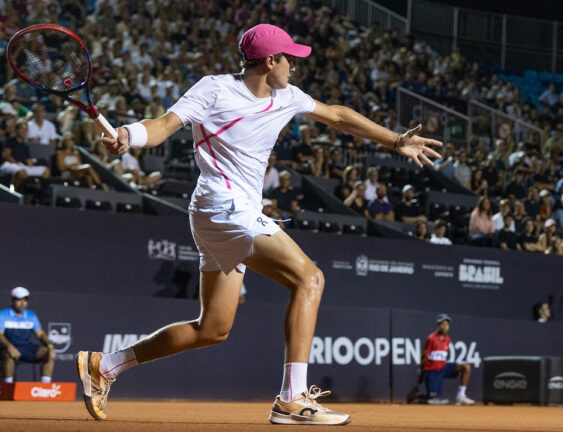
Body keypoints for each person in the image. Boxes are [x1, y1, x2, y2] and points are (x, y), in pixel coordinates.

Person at [79, 24, 442, 425]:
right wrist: (128, 134)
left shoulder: (287, 96)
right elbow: (165, 124)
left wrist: (395, 141)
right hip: (222, 204)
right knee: (310, 279)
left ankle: (105, 365)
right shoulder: (214, 89)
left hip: (224, 211)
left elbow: (338, 116)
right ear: (270, 61)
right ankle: (292, 398)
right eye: (289, 58)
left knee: (212, 328)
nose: (294, 66)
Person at [1, 287, 56, 383]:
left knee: (49, 353)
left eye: (25, 300)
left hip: (26, 347)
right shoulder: (3, 314)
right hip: (8, 347)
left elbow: (40, 334)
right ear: (13, 300)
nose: (22, 303)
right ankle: (7, 387)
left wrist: (50, 346)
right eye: (19, 300)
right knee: (7, 354)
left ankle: (45, 388)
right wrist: (10, 347)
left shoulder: (31, 315)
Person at [420, 314, 475, 406]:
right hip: (432, 371)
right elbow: (424, 357)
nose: (446, 327)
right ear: (438, 325)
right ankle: (418, 397)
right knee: (433, 400)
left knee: (466, 367)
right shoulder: (431, 338)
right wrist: (421, 374)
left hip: (443, 368)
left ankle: (461, 395)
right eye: (443, 324)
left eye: (447, 324)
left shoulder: (447, 339)